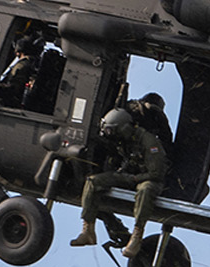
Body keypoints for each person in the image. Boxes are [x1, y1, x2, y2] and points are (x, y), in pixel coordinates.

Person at [68, 107, 167, 257]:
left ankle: (137, 235)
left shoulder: (149, 141)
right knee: (93, 182)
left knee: (145, 190)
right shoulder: (123, 141)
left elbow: (156, 174)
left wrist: (134, 179)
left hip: (148, 179)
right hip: (129, 176)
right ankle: (88, 230)